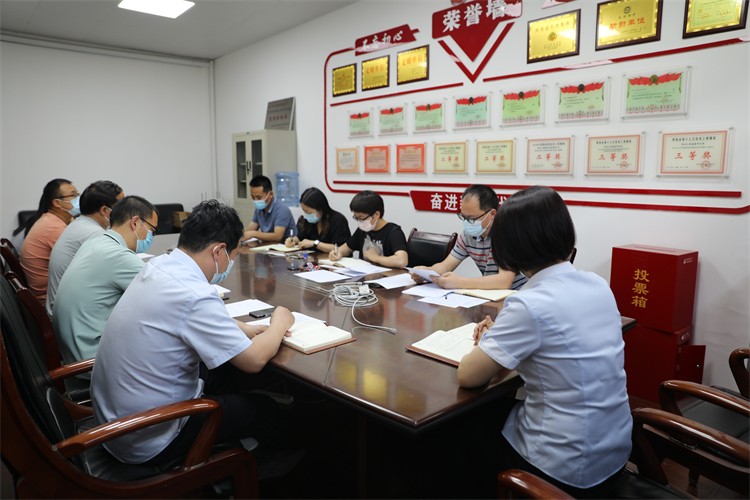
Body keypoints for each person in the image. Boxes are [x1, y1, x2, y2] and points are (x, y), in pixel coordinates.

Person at [92, 199, 295, 468]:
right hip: (148, 437)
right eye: (233, 256)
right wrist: (280, 321)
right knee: (264, 409)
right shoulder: (195, 294)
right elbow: (253, 360)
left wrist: (238, 327)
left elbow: (177, 318)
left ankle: (231, 439)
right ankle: (266, 469)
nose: (231, 263)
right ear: (218, 251)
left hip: (113, 423)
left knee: (221, 371)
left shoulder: (159, 266)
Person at [457, 186, 631, 497]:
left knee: (458, 429)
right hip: (614, 450)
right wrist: (504, 334)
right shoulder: (597, 284)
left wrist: (491, 338)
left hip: (562, 466)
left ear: (509, 246)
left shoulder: (529, 304)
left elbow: (469, 376)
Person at [52, 195, 157, 366]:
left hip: (74, 350)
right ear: (135, 222)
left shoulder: (95, 242)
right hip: (93, 359)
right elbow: (163, 295)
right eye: (152, 230)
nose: (151, 236)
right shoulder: (118, 255)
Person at [412, 184, 527, 290]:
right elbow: (445, 266)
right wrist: (426, 272)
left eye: (472, 218)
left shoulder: (506, 234)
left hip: (516, 294)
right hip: (489, 294)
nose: (467, 223)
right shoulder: (468, 235)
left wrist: (460, 282)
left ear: (492, 214)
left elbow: (504, 281)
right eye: (464, 217)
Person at [46, 180, 125, 316]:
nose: (126, 210)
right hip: (70, 314)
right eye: (122, 205)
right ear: (105, 211)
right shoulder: (95, 234)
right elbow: (119, 274)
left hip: (63, 307)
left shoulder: (79, 224)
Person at [18, 178, 79, 304]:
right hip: (51, 300)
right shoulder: (52, 227)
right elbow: (81, 261)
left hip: (53, 293)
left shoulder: (51, 220)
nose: (78, 199)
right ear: (57, 203)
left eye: (78, 194)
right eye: (73, 195)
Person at [328, 190, 408, 268]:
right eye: (356, 218)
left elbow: (402, 261)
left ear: (376, 214)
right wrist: (338, 252)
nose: (359, 222)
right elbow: (347, 248)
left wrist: (376, 258)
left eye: (361, 218)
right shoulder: (362, 230)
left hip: (387, 275)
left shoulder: (393, 232)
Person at [284, 187, 350, 253]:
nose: (306, 215)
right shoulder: (309, 221)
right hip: (313, 257)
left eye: (309, 212)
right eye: (304, 212)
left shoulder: (338, 220)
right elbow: (300, 238)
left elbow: (340, 248)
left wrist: (315, 243)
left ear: (320, 209)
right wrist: (293, 240)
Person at [242, 175, 295, 243]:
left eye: (259, 197)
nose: (256, 200)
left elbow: (277, 237)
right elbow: (250, 230)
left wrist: (254, 234)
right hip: (267, 245)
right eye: (253, 197)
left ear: (270, 194)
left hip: (284, 246)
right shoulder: (259, 208)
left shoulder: (282, 209)